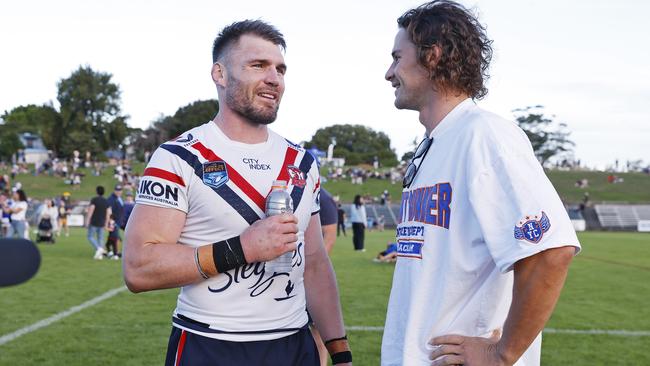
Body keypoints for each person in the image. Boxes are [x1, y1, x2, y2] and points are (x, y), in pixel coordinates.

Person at [123, 20, 351, 366]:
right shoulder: (180, 157)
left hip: (294, 345)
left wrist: (340, 350)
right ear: (220, 73)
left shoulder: (303, 163)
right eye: (258, 65)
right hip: (209, 344)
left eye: (280, 69)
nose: (274, 78)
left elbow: (316, 263)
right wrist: (241, 249)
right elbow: (139, 268)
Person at [381, 2, 581, 365]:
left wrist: (502, 354)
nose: (389, 72)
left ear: (433, 56)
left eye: (397, 57)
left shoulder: (485, 136)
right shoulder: (435, 145)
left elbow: (551, 250)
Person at [86, 186, 111, 260]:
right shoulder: (106, 201)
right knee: (100, 238)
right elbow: (108, 213)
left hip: (94, 222)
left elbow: (91, 210)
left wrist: (87, 221)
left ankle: (99, 249)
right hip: (102, 222)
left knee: (90, 236)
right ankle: (100, 255)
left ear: (97, 191)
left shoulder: (94, 200)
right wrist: (106, 223)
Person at [106, 184, 124, 258]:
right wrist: (111, 222)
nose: (119, 192)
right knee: (115, 238)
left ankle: (110, 251)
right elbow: (109, 211)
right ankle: (115, 253)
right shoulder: (111, 199)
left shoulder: (119, 198)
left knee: (113, 237)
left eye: (120, 190)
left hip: (119, 221)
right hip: (114, 222)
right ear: (114, 190)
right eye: (117, 190)